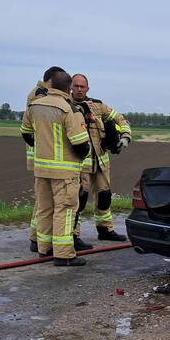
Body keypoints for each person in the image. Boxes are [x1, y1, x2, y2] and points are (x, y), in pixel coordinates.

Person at [20, 70, 90, 266]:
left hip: (41, 169)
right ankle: (64, 254)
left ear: (50, 85)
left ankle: (45, 249)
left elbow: (26, 133)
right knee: (65, 211)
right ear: (68, 88)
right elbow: (80, 143)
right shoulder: (69, 109)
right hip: (64, 172)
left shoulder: (34, 105)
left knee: (44, 209)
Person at [70, 73, 132, 243]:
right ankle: (73, 235)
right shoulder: (67, 107)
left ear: (88, 88)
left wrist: (125, 136)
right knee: (79, 200)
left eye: (82, 86)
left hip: (101, 162)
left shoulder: (98, 106)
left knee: (105, 197)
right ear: (70, 87)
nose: (79, 89)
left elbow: (120, 118)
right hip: (80, 164)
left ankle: (105, 229)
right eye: (76, 86)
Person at [26, 66, 66, 251]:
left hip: (43, 155)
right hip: (49, 156)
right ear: (50, 81)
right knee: (47, 205)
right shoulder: (40, 96)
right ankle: (39, 240)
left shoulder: (37, 95)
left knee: (43, 204)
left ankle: (39, 241)